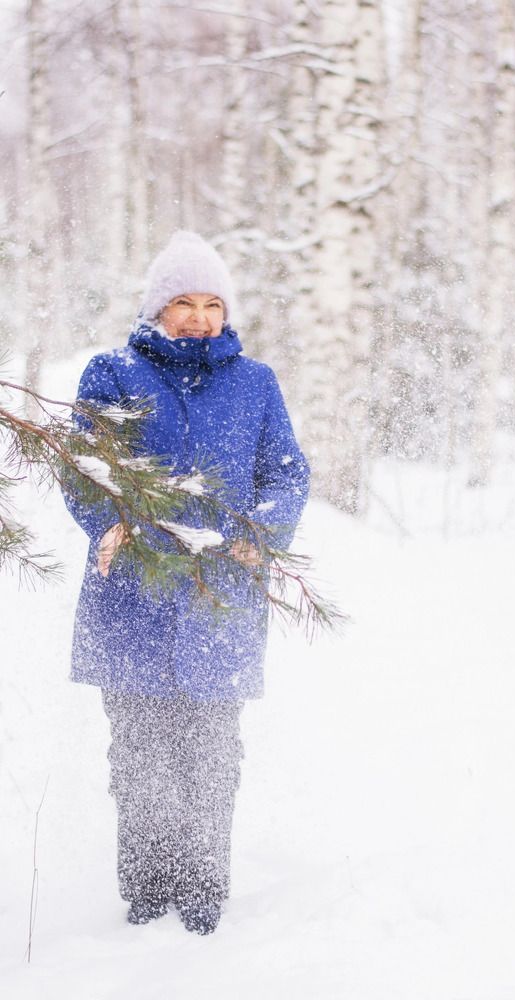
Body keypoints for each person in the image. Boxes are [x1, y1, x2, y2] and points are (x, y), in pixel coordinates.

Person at [63, 231, 310, 935]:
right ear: (155, 308)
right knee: (139, 752)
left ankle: (203, 887)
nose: (199, 318)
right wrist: (104, 524)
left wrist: (261, 535)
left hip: (220, 598)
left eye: (212, 304)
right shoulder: (111, 374)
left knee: (211, 751)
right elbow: (84, 464)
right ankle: (147, 887)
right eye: (183, 302)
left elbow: (286, 473)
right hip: (131, 593)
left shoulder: (255, 383)